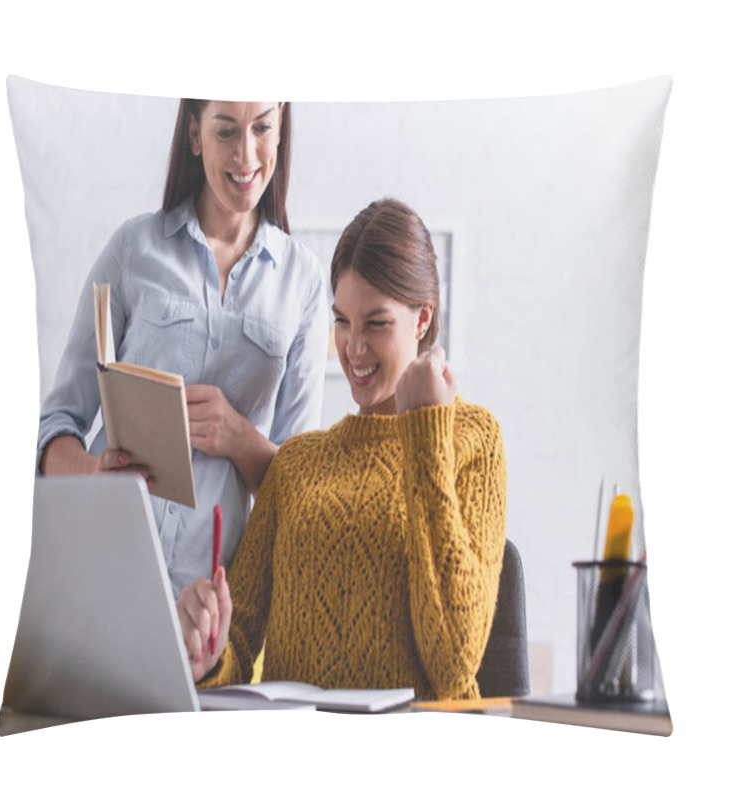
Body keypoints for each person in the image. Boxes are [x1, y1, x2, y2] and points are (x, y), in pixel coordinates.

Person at [180, 198, 507, 701]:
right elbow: (238, 642)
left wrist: (425, 429)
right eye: (342, 321)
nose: (353, 347)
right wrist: (208, 658)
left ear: (422, 320)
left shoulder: (471, 439)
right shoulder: (296, 465)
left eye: (376, 324)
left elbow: (453, 662)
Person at [37, 101, 330, 600]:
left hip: (210, 598)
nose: (246, 154)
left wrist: (239, 437)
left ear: (281, 128)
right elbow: (53, 431)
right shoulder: (134, 248)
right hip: (99, 563)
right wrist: (94, 470)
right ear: (195, 136)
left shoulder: (302, 283)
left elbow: (301, 490)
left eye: (262, 128)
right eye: (225, 132)